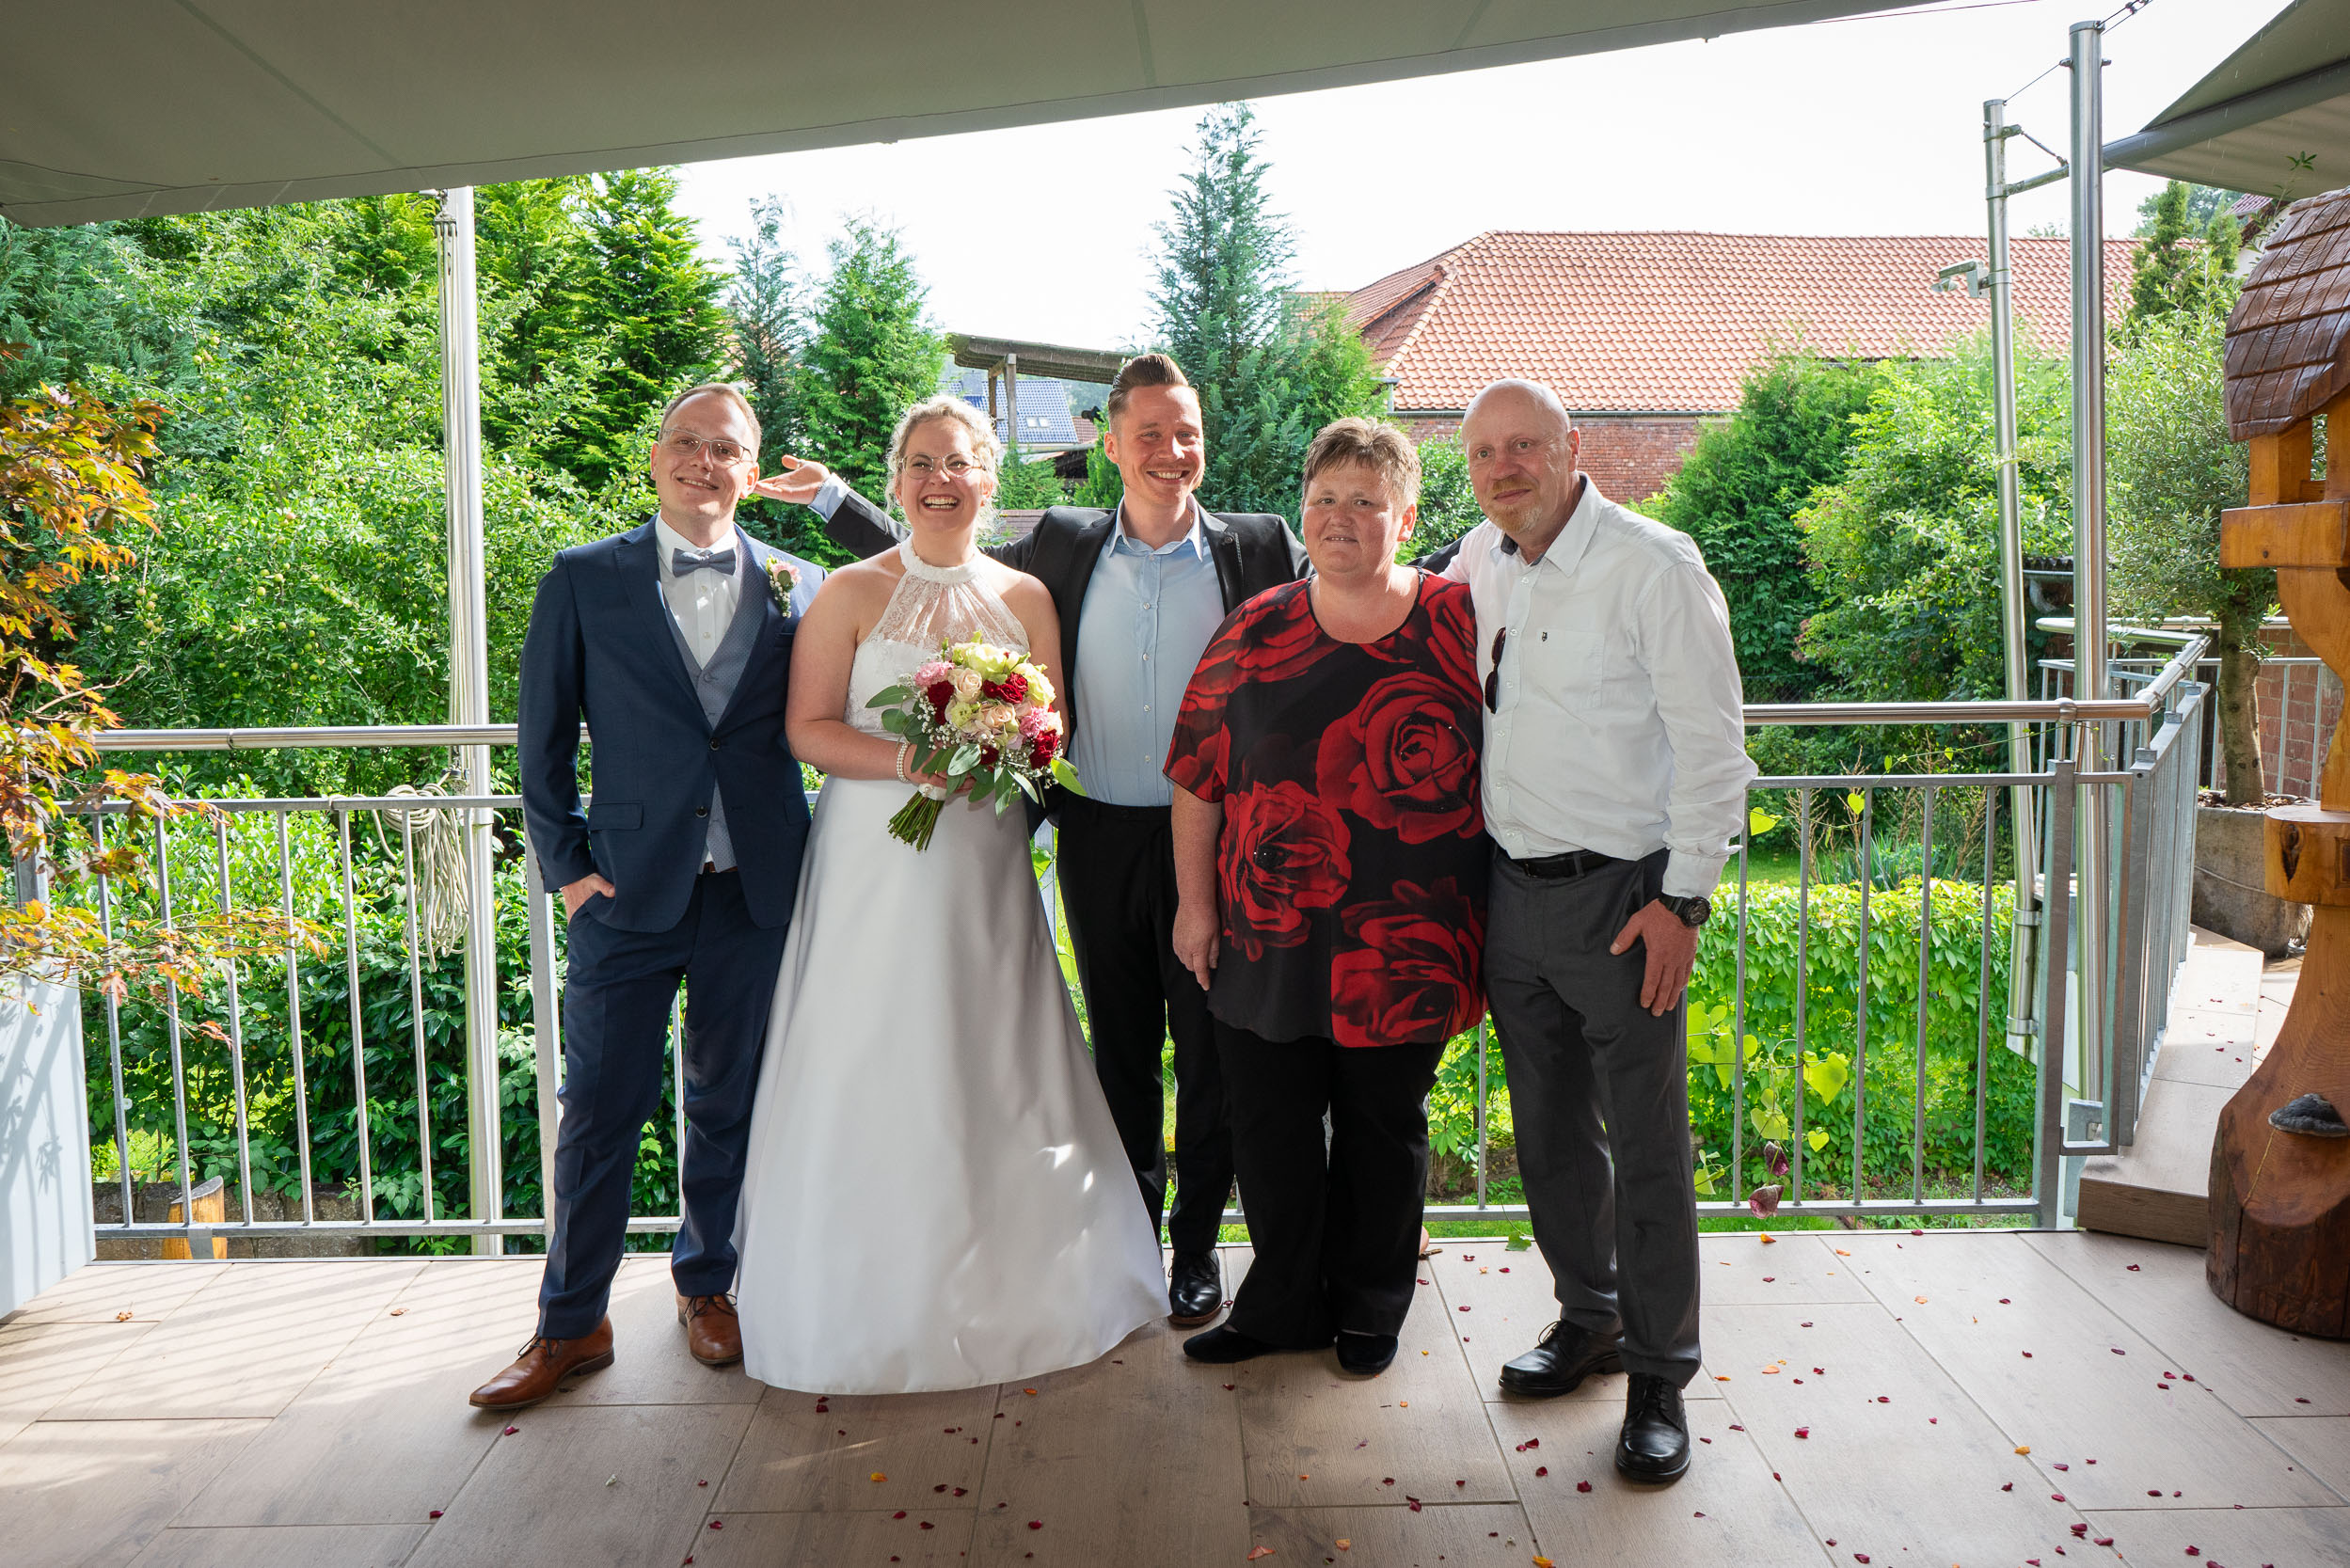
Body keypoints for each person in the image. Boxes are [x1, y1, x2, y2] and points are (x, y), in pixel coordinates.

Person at [754, 354, 1306, 1328]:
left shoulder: (1259, 546)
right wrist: (839, 502)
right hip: (1095, 835)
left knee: (1213, 1054)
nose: (1170, 450)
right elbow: (938, 563)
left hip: (1217, 843)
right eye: (1149, 433)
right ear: (1112, 444)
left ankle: (1195, 1249)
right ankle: (1132, 1235)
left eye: (1185, 433)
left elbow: (1337, 613)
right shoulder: (1063, 543)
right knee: (1120, 1053)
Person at [728, 395, 1165, 1394]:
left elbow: (1050, 726)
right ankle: (868, 1290)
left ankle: (1022, 1279)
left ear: (988, 478)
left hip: (982, 854)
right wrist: (913, 761)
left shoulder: (1026, 596)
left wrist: (1004, 741)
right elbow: (807, 729)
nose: (940, 480)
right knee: (874, 1044)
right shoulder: (848, 591)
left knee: (990, 1041)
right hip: (872, 857)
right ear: (895, 479)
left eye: (959, 462)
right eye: (922, 463)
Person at [475, 383, 826, 1411]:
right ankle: (570, 1322)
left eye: (726, 448)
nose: (703, 462)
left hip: (756, 889)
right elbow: (540, 740)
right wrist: (568, 870)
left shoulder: (799, 582)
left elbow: (912, 589)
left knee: (728, 1102)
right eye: (686, 441)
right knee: (598, 1109)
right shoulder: (583, 576)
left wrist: (839, 501)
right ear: (656, 454)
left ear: (751, 470)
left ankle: (706, 1284)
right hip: (623, 891)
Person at [1443, 379, 1753, 1484]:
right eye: (1483, 453)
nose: (1503, 468)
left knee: (1648, 1143)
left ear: (1572, 447)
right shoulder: (1476, 561)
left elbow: (1714, 748)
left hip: (1624, 900)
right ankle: (1592, 1315)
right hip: (1509, 893)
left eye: (1523, 445)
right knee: (1549, 1135)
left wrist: (1683, 901)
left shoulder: (1653, 566)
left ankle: (1660, 1373)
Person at [1163, 418, 1487, 1378]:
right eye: (1324, 500)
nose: (1340, 517)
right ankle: (1280, 1305)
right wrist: (1194, 906)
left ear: (1407, 516)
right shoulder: (1254, 627)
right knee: (1269, 1129)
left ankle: (1370, 1305)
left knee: (1384, 1128)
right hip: (1265, 930)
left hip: (1409, 934)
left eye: (1365, 501)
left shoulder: (1463, 622)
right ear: (1301, 512)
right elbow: (1196, 775)